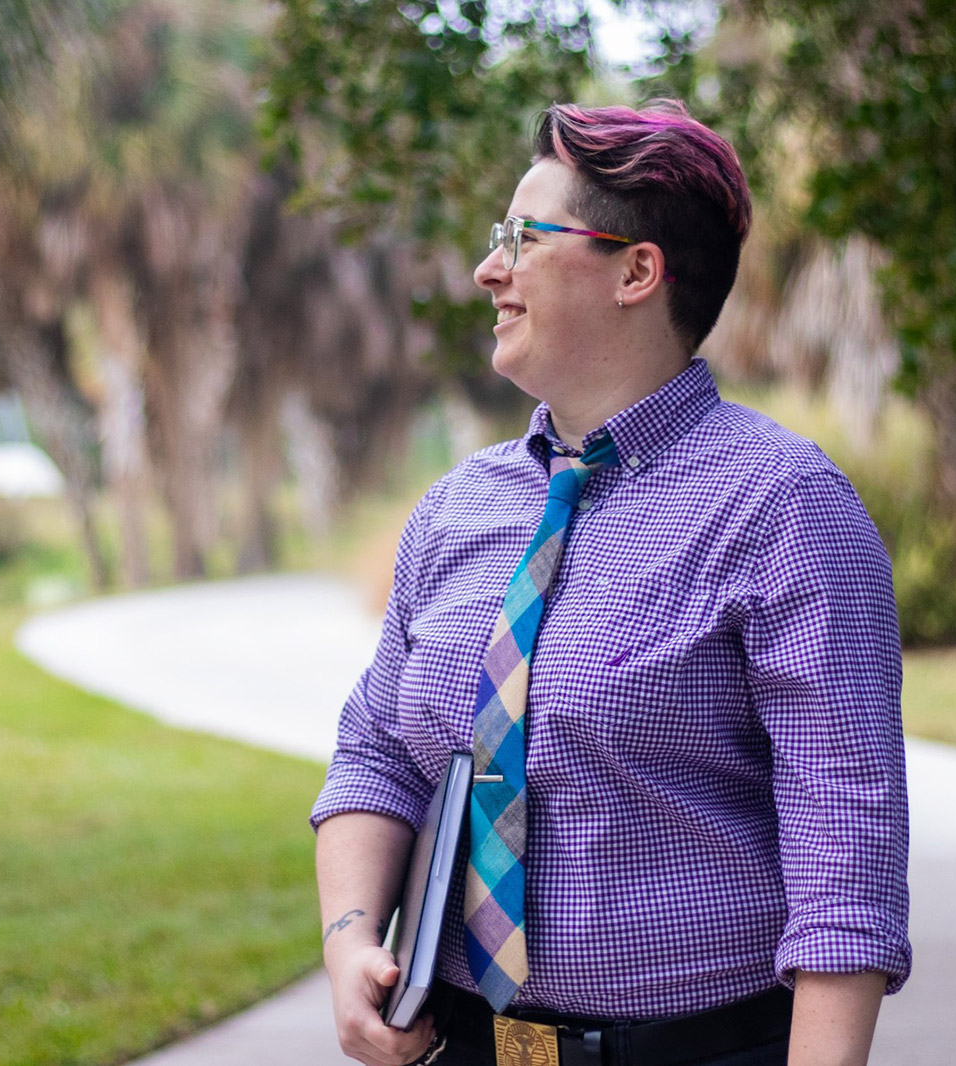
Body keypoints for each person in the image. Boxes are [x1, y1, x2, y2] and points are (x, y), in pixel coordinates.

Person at [312, 100, 911, 1066]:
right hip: (475, 1051)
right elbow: (377, 755)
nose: (488, 269)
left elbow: (845, 851)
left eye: (523, 237)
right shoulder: (455, 511)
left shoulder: (786, 508)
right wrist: (348, 944)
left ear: (637, 270)